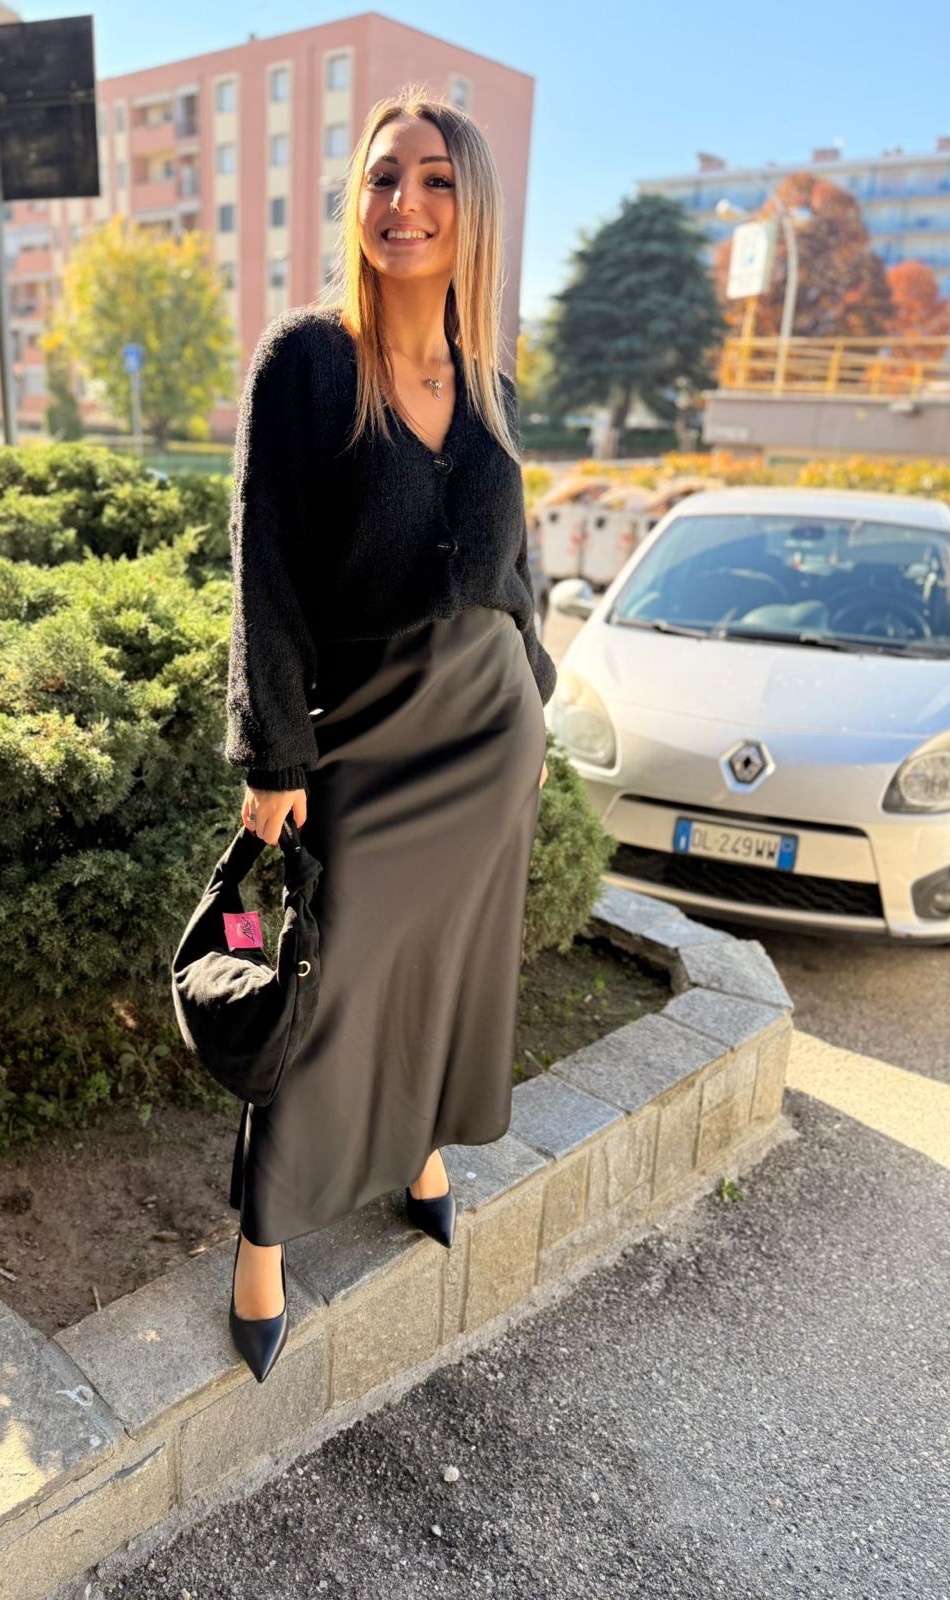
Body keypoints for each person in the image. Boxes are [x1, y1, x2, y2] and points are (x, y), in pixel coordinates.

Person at [222, 86, 556, 1382]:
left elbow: (516, 571)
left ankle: (417, 1149)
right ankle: (262, 1235)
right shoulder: (307, 365)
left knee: (447, 967)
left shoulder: (492, 385)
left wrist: (535, 692)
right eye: (381, 177)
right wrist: (272, 754)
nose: (402, 202)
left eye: (434, 179)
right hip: (363, 727)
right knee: (331, 977)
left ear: (473, 208)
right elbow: (263, 571)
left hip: (487, 739)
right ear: (356, 201)